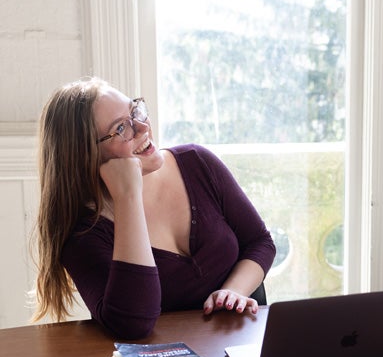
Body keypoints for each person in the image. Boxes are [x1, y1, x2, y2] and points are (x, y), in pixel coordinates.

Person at [34, 77, 276, 339]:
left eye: (135, 111)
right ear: (84, 155)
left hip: (244, 345)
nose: (143, 127)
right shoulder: (84, 234)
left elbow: (260, 242)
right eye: (121, 128)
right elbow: (132, 324)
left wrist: (233, 292)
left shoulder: (197, 162)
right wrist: (128, 197)